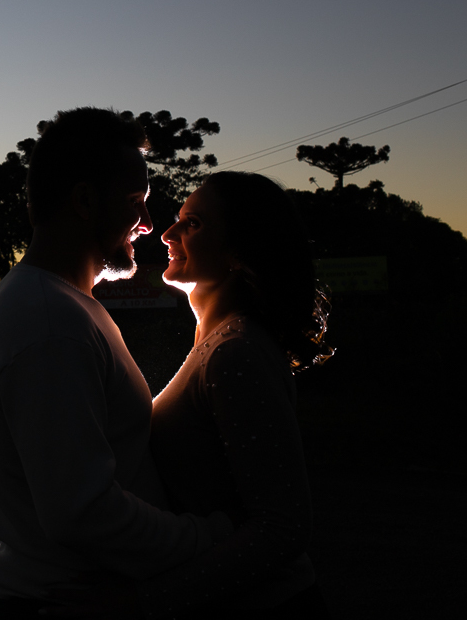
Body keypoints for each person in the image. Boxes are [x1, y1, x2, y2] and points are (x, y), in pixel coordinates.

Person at [0, 108, 232, 618]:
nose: (148, 224)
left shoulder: (60, 305)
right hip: (65, 603)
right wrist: (210, 538)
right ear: (86, 201)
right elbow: (83, 511)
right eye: (135, 203)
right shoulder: (49, 322)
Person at [136, 171, 334, 617]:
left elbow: (282, 528)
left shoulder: (235, 352)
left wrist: (142, 605)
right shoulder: (218, 343)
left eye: (193, 224)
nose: (167, 234)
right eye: (178, 219)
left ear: (239, 252)